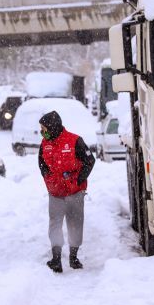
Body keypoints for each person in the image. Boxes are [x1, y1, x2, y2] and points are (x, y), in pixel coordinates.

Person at [38, 110, 96, 273]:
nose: (42, 132)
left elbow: (89, 161)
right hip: (55, 193)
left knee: (75, 223)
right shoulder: (45, 144)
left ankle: (73, 257)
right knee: (55, 224)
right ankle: (56, 259)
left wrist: (78, 180)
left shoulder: (75, 141)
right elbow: (41, 164)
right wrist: (49, 181)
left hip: (75, 192)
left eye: (44, 128)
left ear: (53, 127)